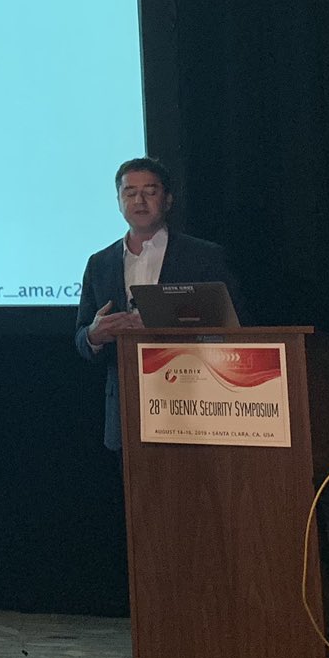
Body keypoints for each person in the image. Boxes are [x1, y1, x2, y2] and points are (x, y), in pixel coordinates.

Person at [74, 157, 242, 451]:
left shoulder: (203, 256)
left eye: (150, 191)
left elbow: (234, 324)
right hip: (127, 410)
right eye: (130, 192)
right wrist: (94, 335)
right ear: (119, 201)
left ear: (168, 200)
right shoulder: (100, 263)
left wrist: (168, 324)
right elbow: (81, 338)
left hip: (195, 401)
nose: (139, 201)